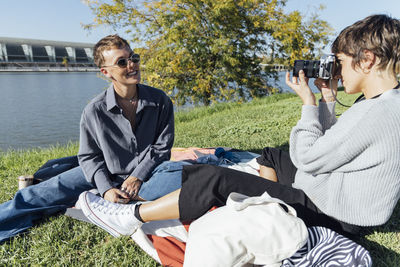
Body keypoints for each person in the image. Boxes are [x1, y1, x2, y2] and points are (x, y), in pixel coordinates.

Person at [79, 14, 400, 238]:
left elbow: (308, 157)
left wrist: (309, 103)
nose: (337, 70)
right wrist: (329, 98)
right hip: (335, 191)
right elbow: (332, 144)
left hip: (337, 213)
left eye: (340, 61)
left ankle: (129, 217)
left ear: (368, 60)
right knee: (271, 156)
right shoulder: (382, 102)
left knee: (212, 177)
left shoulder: (377, 114)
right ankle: (274, 204)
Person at [0, 34, 179, 243]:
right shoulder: (94, 110)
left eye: (133, 58)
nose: (132, 65)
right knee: (38, 195)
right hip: (103, 172)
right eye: (122, 62)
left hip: (150, 171)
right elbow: (89, 157)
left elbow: (162, 147)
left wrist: (137, 176)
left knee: (189, 180)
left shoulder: (161, 101)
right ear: (106, 72)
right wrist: (105, 190)